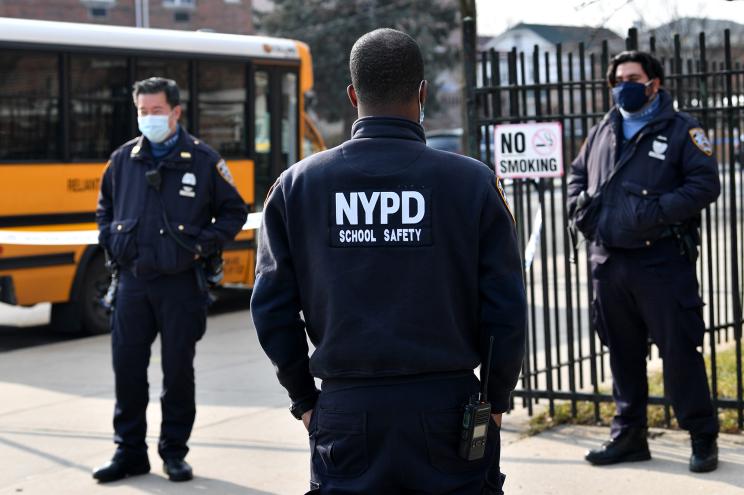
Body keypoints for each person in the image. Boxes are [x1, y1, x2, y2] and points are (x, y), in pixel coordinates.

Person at [251, 28, 526, 494]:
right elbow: (505, 307)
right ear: (421, 93)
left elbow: (272, 309)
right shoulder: (471, 183)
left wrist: (303, 398)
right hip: (448, 406)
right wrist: (495, 397)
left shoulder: (298, 186)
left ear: (353, 94)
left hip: (346, 409)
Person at [568, 51, 720, 473]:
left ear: (654, 83)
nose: (623, 85)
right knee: (622, 353)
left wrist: (652, 212)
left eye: (632, 77)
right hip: (608, 262)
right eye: (617, 79)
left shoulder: (681, 129)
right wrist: (581, 210)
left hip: (661, 261)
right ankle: (629, 435)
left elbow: (705, 184)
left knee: (679, 352)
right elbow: (576, 176)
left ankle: (702, 436)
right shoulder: (602, 128)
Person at [93, 77, 247, 483]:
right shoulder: (123, 159)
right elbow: (104, 207)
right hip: (132, 283)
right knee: (127, 370)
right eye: (142, 111)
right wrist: (109, 237)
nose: (148, 118)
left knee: (178, 372)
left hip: (180, 284)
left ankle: (174, 452)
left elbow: (235, 211)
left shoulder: (202, 159)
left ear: (176, 112)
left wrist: (201, 244)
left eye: (156, 111)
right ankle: (129, 453)